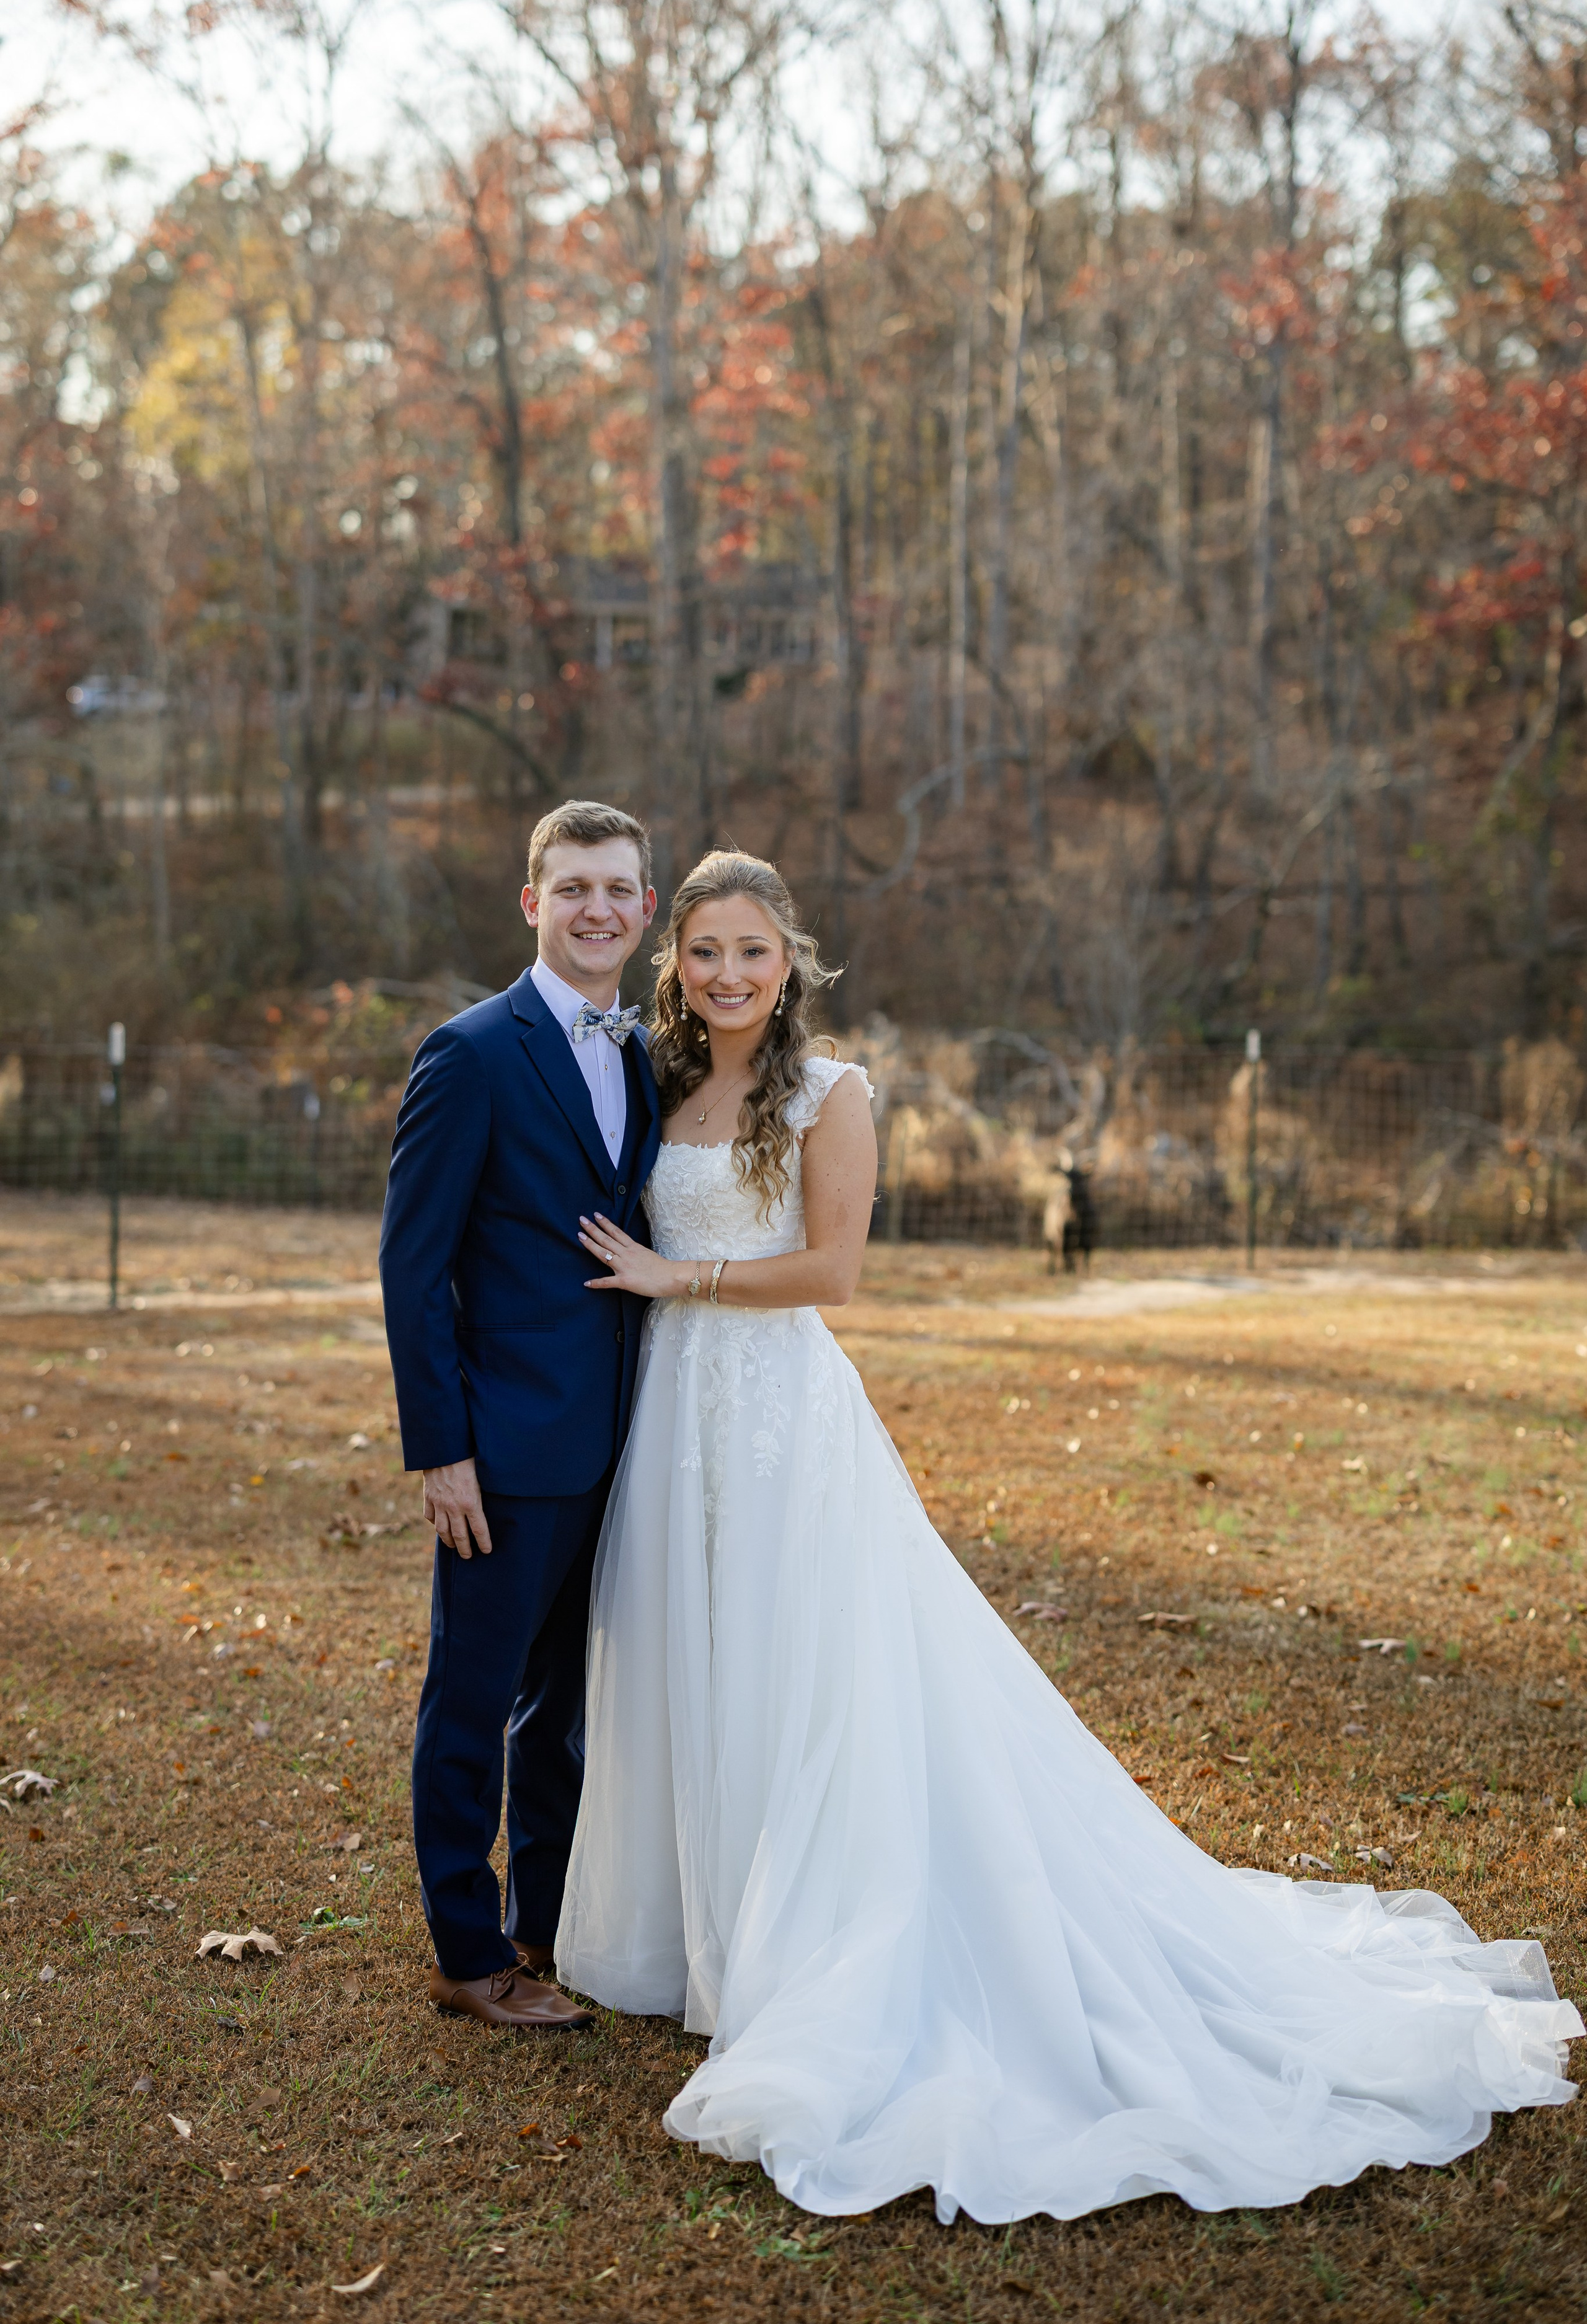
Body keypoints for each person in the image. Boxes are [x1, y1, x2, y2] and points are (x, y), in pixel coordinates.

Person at [555, 846, 1581, 2225]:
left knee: (805, 1678)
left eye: (750, 950)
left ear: (787, 958)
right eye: (703, 952)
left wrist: (680, 1273)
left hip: (782, 1419)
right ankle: (696, 1935)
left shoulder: (828, 1091)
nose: (726, 974)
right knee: (698, 1656)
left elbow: (838, 1271)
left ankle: (801, 1954)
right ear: (675, 962)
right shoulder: (660, 1081)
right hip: (673, 1414)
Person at [379, 799, 660, 2031]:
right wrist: (442, 1447)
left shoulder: (647, 1050)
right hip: (501, 1445)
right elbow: (411, 1267)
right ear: (531, 901)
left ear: (646, 910)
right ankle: (465, 1949)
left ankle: (548, 1925)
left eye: (617, 888)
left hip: (622, 1436)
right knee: (473, 1697)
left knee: (566, 1706)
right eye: (573, 886)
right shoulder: (472, 1051)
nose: (596, 908)